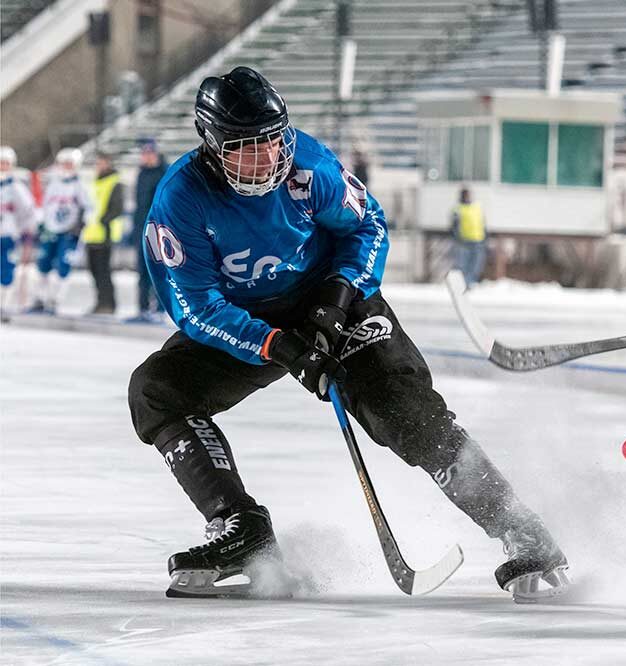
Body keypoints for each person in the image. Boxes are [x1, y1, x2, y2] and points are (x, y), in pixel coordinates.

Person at [127, 67, 569, 600]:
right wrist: (279, 346)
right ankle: (241, 528)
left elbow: (368, 226)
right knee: (156, 391)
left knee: (401, 410)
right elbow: (195, 306)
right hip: (251, 321)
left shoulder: (309, 166)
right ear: (211, 144)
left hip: (334, 303)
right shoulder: (181, 200)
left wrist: (337, 303)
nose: (267, 159)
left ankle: (517, 524)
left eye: (273, 140)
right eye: (246, 147)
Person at [29, 147, 91, 314]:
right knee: (43, 263)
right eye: (64, 163)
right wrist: (41, 222)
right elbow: (44, 205)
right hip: (50, 230)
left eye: (70, 164)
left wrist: (82, 224)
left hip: (69, 231)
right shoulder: (54, 183)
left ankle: (55, 299)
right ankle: (40, 297)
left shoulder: (81, 184)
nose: (66, 167)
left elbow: (90, 208)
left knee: (63, 265)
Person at [80, 151, 125, 315]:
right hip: (91, 234)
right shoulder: (95, 183)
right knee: (94, 272)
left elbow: (116, 208)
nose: (99, 166)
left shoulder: (114, 182)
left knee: (103, 271)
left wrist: (103, 221)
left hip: (104, 234)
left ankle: (108, 304)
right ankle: (100, 302)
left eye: (102, 162)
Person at [129, 139, 168, 322]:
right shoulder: (142, 173)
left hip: (160, 229)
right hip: (141, 228)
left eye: (149, 153)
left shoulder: (164, 173)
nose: (146, 156)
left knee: (159, 271)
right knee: (142, 270)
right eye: (143, 153)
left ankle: (160, 310)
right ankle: (142, 308)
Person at [0, 146, 38, 322]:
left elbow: (28, 210)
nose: (3, 166)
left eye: (6, 163)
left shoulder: (16, 187)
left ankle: (4, 304)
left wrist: (28, 229)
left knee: (6, 269)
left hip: (8, 235)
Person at [451, 185, 487, 286]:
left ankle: (471, 283)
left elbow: (483, 223)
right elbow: (454, 226)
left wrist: (485, 237)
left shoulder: (477, 207)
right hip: (464, 242)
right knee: (462, 264)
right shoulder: (458, 209)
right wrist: (458, 238)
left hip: (478, 240)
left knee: (476, 265)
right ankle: (462, 284)